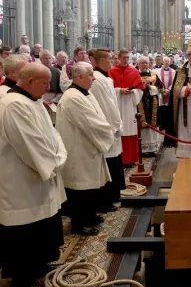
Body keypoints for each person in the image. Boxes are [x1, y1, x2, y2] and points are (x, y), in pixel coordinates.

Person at [0, 63, 67, 287]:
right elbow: (30, 144)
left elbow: (52, 134)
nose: (48, 87)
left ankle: (36, 270)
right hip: (20, 180)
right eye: (45, 83)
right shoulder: (14, 105)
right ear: (30, 81)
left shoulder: (31, 101)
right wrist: (54, 162)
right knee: (23, 234)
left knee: (37, 230)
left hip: (37, 175)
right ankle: (22, 284)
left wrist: (58, 156)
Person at [56, 62, 115, 235]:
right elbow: (91, 122)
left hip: (88, 145)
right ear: (79, 77)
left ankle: (89, 215)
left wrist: (106, 129)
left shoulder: (83, 93)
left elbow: (97, 116)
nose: (94, 77)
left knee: (90, 186)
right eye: (90, 74)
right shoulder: (73, 97)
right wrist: (108, 132)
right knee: (80, 187)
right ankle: (79, 223)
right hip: (79, 149)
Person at [89, 48, 125, 212]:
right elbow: (107, 105)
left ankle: (114, 194)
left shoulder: (102, 77)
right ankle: (107, 198)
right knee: (109, 163)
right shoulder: (98, 79)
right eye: (110, 59)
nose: (113, 61)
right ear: (102, 60)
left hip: (110, 126)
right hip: (108, 128)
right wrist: (116, 125)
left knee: (114, 160)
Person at [109, 49, 143, 166]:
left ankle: (131, 158)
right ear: (118, 58)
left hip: (129, 104)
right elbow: (108, 90)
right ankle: (121, 158)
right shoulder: (112, 71)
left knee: (130, 129)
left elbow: (140, 89)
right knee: (119, 129)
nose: (126, 60)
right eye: (124, 57)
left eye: (128, 57)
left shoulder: (134, 71)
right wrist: (119, 90)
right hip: (117, 104)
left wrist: (133, 92)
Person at [0, 54, 27, 133]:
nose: (28, 74)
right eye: (24, 70)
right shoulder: (1, 94)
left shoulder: (16, 91)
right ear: (13, 72)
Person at [156, 56, 176, 140]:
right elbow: (157, 82)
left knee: (168, 109)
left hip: (170, 93)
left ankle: (168, 125)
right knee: (161, 109)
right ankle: (162, 125)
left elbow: (175, 82)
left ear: (170, 62)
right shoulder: (157, 72)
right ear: (163, 62)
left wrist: (169, 90)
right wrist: (162, 90)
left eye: (168, 61)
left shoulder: (174, 72)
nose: (167, 63)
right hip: (161, 93)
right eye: (165, 61)